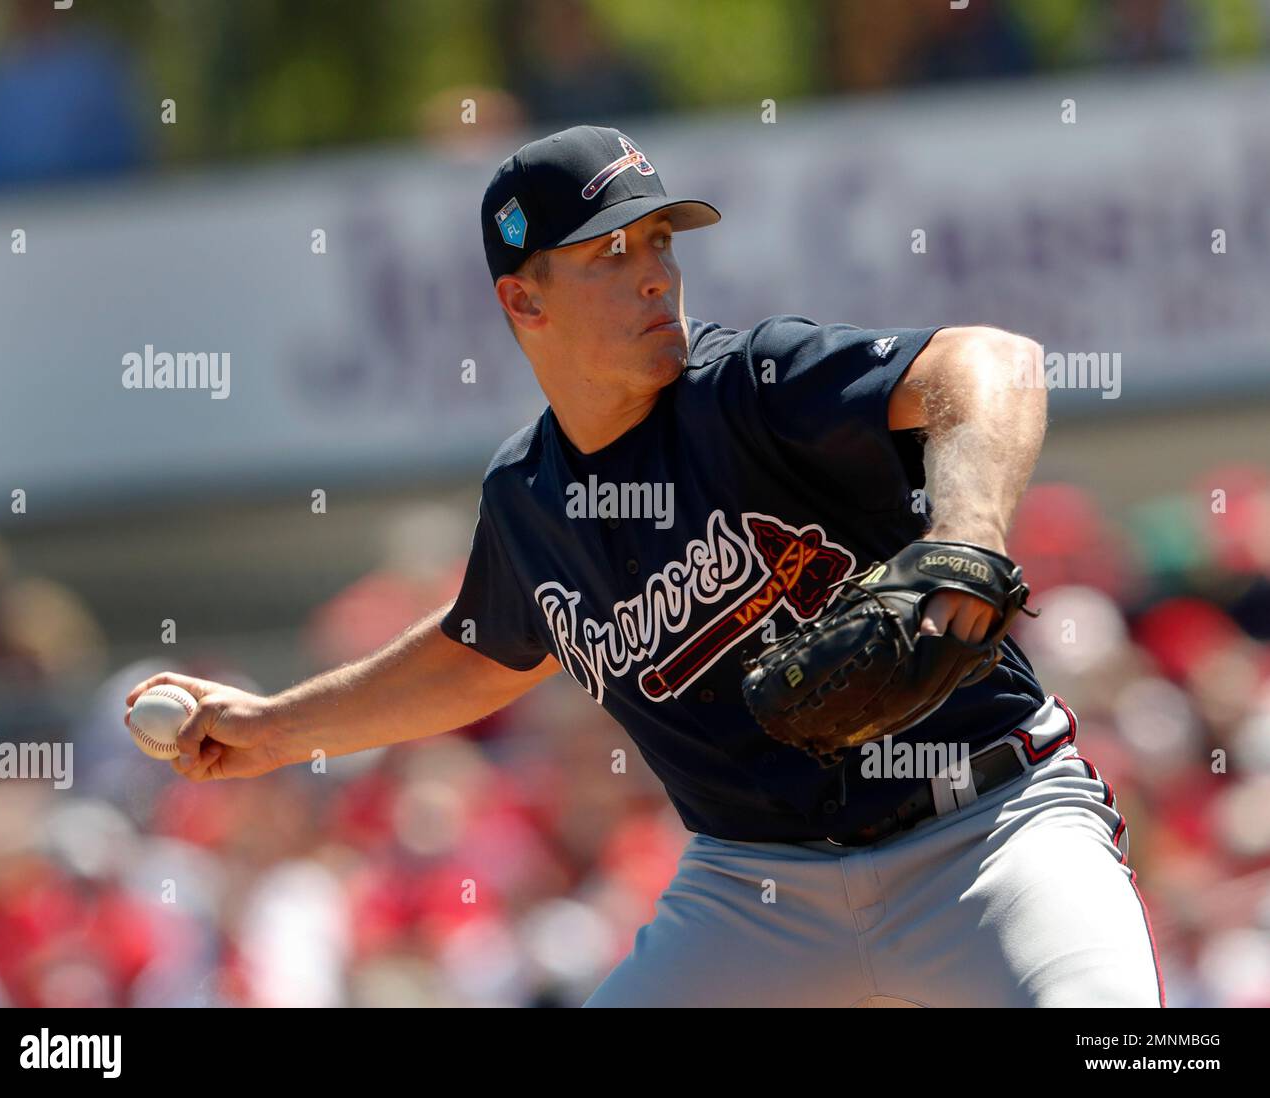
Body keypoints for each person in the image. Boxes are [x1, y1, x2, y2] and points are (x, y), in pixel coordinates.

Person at [126, 125, 1164, 1007]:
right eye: (608, 252)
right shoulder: (528, 500)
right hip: (753, 891)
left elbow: (991, 363)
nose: (655, 269)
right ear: (522, 302)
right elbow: (479, 657)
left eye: (659, 238)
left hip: (988, 830)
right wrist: (270, 731)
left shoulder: (750, 386)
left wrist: (968, 534)